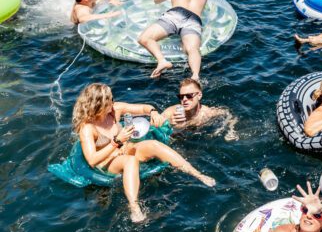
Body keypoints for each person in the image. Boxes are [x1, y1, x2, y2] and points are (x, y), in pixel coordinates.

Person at [72, 83, 215, 223]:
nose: (114, 101)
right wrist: (116, 142)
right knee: (130, 161)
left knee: (154, 145)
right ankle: (134, 207)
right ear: (100, 103)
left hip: (124, 147)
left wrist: (153, 113)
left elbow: (144, 107)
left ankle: (197, 174)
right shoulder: (88, 128)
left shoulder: (115, 109)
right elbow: (92, 160)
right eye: (110, 99)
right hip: (107, 160)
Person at [137, 0, 209, 80]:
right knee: (192, 49)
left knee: (144, 38)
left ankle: (162, 61)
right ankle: (195, 75)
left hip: (176, 14)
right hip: (194, 19)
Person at [159, 78, 238, 138]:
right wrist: (170, 124)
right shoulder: (172, 112)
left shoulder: (207, 113)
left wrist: (231, 130)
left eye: (189, 96)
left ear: (199, 95)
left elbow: (228, 113)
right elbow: (154, 126)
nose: (184, 99)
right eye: (181, 97)